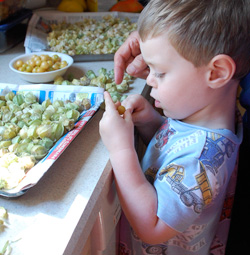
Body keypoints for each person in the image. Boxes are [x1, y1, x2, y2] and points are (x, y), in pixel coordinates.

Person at [99, 0, 250, 254]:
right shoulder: (202, 125)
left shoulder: (201, 161)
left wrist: (120, 149)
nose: (148, 79)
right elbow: (177, 155)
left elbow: (152, 227)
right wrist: (152, 124)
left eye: (159, 72)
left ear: (216, 73)